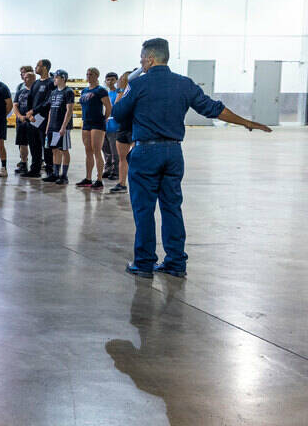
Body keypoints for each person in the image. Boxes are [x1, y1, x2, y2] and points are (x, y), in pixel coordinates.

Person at [111, 38, 270, 279]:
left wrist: (123, 88)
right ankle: (175, 262)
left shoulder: (138, 85)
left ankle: (144, 262)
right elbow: (213, 108)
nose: (140, 63)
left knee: (144, 209)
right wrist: (246, 122)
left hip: (146, 153)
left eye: (142, 59)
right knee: (172, 208)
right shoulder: (184, 84)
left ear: (151, 58)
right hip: (173, 153)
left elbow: (119, 115)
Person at [36, 70, 75, 185]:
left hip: (62, 126)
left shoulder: (68, 92)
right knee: (54, 150)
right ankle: (55, 173)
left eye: (56, 78)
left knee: (64, 150)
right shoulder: (53, 93)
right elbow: (50, 110)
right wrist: (48, 126)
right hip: (52, 126)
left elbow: (69, 111)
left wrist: (63, 127)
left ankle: (64, 175)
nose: (54, 80)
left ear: (63, 78)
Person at [77, 67, 112, 190]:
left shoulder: (100, 90)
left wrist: (105, 119)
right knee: (88, 151)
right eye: (87, 74)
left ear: (97, 76)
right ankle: (87, 178)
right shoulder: (85, 91)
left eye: (91, 74)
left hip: (97, 123)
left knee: (97, 151)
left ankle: (99, 179)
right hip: (86, 123)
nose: (88, 76)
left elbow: (108, 106)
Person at [25, 59, 55, 179]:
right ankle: (35, 169)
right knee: (34, 145)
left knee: (46, 146)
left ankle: (50, 170)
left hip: (45, 120)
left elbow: (48, 102)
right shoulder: (36, 83)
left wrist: (34, 111)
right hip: (33, 120)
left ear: (45, 68)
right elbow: (30, 99)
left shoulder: (51, 83)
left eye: (38, 65)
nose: (35, 67)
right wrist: (30, 114)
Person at [12, 69, 36, 175]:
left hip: (33, 121)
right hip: (21, 121)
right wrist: (19, 116)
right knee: (22, 144)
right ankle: (23, 164)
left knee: (34, 144)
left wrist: (30, 115)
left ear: (34, 79)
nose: (25, 79)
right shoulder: (20, 92)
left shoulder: (36, 91)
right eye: (24, 77)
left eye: (28, 77)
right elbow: (15, 105)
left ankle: (36, 165)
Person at [102, 72, 120, 181]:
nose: (110, 82)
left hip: (114, 127)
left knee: (115, 151)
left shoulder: (119, 93)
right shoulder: (104, 94)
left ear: (117, 81)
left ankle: (116, 171)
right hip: (104, 127)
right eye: (108, 80)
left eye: (112, 79)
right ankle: (107, 169)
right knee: (106, 151)